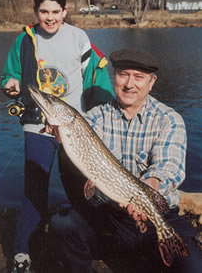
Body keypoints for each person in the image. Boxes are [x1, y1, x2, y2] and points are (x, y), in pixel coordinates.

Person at [48, 49, 202, 273]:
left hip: (156, 214)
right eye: (123, 75)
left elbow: (169, 166)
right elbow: (74, 144)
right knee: (62, 225)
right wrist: (58, 133)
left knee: (193, 267)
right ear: (115, 78)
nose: (130, 84)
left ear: (151, 82)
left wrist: (153, 184)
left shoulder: (168, 119)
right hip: (108, 213)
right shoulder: (96, 116)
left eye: (139, 77)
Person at [1, 0, 114, 273]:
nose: (49, 17)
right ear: (35, 11)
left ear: (66, 11)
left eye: (56, 11)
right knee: (34, 189)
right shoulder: (24, 39)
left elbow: (98, 74)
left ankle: (87, 239)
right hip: (36, 126)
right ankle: (22, 251)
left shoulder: (79, 38)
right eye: (43, 11)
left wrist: (104, 112)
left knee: (82, 188)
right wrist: (9, 85)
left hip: (75, 130)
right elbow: (10, 73)